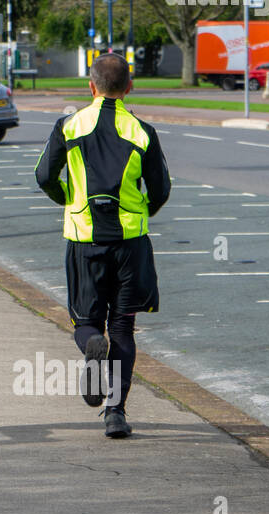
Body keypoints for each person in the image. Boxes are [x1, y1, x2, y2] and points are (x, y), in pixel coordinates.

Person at [34, 53, 171, 439]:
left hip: (84, 239)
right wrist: (143, 211)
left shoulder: (69, 125)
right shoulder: (142, 131)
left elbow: (43, 174)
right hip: (130, 242)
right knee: (124, 328)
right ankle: (115, 413)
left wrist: (68, 199)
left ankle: (93, 346)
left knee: (87, 322)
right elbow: (162, 189)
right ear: (129, 88)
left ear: (90, 87)